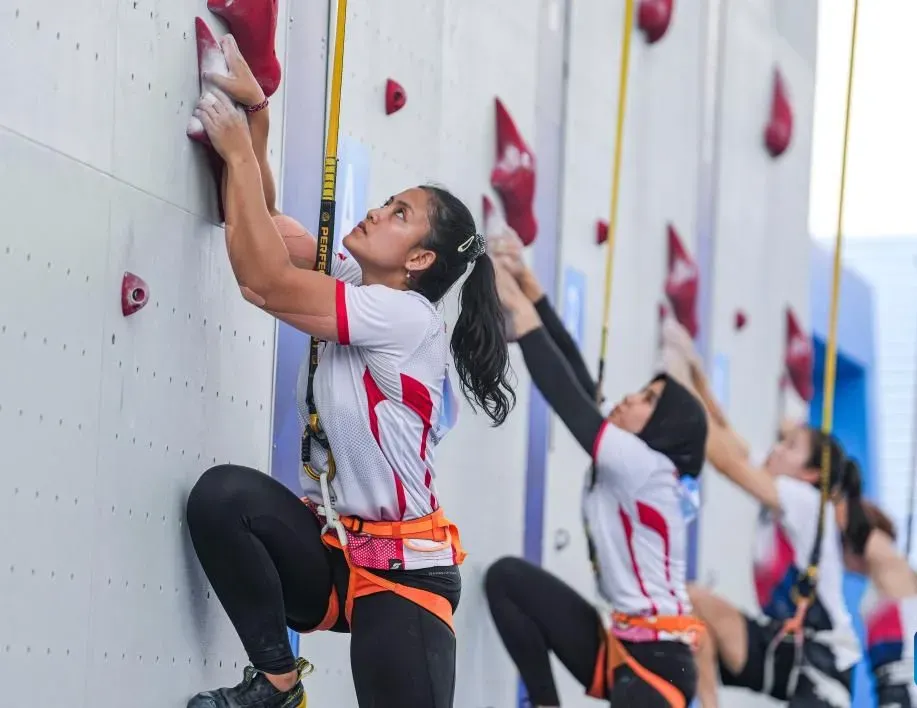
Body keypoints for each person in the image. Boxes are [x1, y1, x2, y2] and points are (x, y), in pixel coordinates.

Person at [183, 30, 515, 708]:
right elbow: (261, 223)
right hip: (343, 557)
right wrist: (257, 116)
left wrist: (239, 150)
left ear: (418, 262)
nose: (375, 211)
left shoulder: (405, 320)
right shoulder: (358, 289)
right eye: (387, 200)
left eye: (398, 215)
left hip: (407, 583)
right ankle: (278, 684)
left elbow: (263, 283)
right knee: (223, 501)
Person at [483, 240, 709, 707]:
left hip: (658, 665)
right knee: (507, 580)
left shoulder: (645, 465)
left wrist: (521, 311)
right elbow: (581, 381)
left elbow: (566, 398)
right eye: (642, 390)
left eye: (648, 401)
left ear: (664, 429)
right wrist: (534, 290)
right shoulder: (633, 457)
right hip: (625, 645)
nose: (630, 398)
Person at [667, 327, 861, 708]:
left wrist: (673, 382)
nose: (775, 449)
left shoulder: (805, 500)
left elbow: (724, 461)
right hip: (783, 642)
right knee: (691, 602)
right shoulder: (779, 483)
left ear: (809, 474)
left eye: (788, 447)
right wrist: (695, 370)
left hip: (824, 662)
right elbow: (725, 434)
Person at [836, 484, 917, 708]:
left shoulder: (891, 567)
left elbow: (865, 534)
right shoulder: (879, 582)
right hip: (891, 694)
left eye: (840, 543)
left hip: (906, 693)